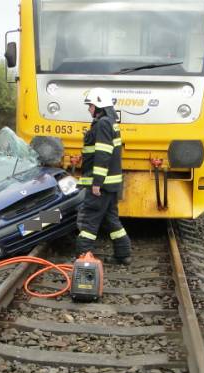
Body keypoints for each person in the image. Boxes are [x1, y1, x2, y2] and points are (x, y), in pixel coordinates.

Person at [75, 87, 132, 264]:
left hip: (102, 183)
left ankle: (83, 256)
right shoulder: (109, 122)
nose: (89, 109)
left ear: (99, 106)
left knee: (89, 219)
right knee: (111, 219)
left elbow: (103, 154)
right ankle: (123, 254)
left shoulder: (102, 124)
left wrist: (97, 182)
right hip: (111, 184)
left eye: (91, 105)